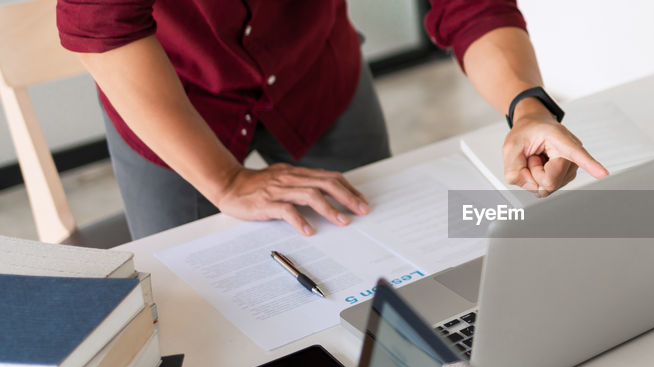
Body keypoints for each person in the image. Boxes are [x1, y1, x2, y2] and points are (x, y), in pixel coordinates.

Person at [57, 0, 607, 239]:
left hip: (313, 72)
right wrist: (224, 180)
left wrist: (527, 106)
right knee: (185, 304)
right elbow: (103, 30)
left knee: (383, 257)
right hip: (172, 97)